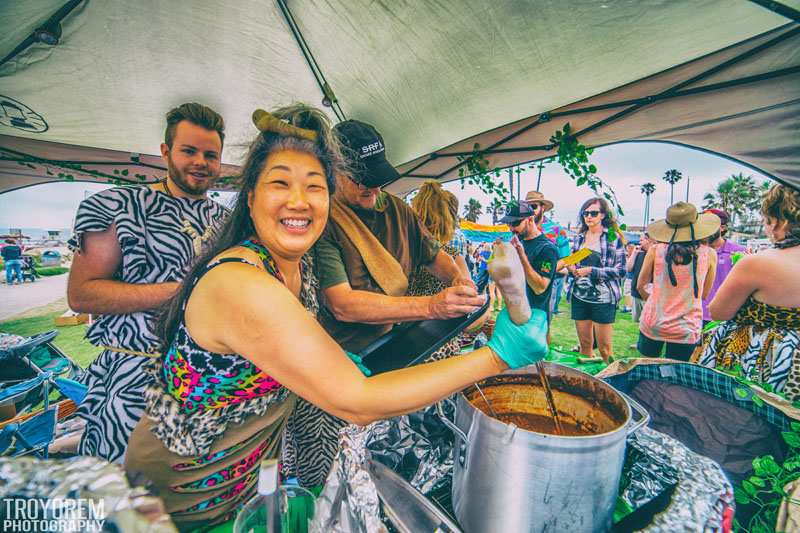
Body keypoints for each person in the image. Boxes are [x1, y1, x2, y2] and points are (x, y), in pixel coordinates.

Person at [124, 104, 547, 530]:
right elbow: (357, 401)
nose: (298, 201)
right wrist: (498, 356)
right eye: (280, 183)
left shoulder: (296, 265)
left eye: (314, 186)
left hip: (245, 484)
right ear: (250, 196)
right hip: (180, 496)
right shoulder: (240, 283)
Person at [287, 118, 484, 488]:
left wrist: (459, 279)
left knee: (385, 468)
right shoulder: (323, 220)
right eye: (362, 180)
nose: (373, 188)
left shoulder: (398, 210)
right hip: (341, 364)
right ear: (333, 172)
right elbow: (342, 303)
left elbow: (433, 255)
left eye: (379, 178)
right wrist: (432, 306)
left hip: (396, 353)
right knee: (330, 474)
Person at [67, 102, 228, 462]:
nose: (201, 162)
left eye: (211, 154)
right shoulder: (120, 205)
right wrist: (184, 292)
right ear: (165, 151)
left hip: (207, 378)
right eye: (189, 151)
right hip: (135, 379)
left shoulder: (226, 219)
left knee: (192, 486)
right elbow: (81, 294)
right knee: (130, 488)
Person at [699, 184, 800, 398]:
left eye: (765, 221)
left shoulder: (757, 263)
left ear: (778, 222)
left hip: (769, 359)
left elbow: (718, 311)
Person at [636, 203, 719, 361]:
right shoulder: (709, 255)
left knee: (645, 371)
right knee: (676, 376)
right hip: (686, 327)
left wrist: (655, 300)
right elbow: (704, 294)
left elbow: (640, 285)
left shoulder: (656, 250)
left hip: (654, 322)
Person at [408, 181, 474, 360]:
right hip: (440, 345)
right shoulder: (453, 254)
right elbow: (469, 311)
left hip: (404, 343)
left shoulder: (404, 253)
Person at [563, 197, 626, 362]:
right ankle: (590, 382)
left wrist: (592, 271)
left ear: (603, 215)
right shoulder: (579, 238)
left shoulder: (612, 238)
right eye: (586, 213)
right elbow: (573, 263)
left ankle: (611, 380)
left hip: (604, 299)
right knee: (584, 345)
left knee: (605, 350)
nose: (589, 216)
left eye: (593, 213)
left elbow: (621, 270)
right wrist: (572, 269)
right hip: (580, 296)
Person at [502, 197, 559, 330]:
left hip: (535, 318)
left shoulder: (547, 248)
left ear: (530, 219)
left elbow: (539, 288)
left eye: (515, 223)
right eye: (508, 224)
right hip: (515, 313)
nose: (511, 228)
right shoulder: (518, 242)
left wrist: (521, 256)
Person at [701, 208, 746, 327]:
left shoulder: (738, 252)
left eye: (710, 225)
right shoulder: (694, 252)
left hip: (727, 317)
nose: (706, 229)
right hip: (697, 315)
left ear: (723, 228)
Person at [626, 233, 652, 323]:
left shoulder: (654, 254)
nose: (639, 242)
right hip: (636, 293)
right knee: (637, 322)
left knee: (647, 323)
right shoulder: (639, 253)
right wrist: (634, 253)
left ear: (649, 240)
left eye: (641, 240)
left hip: (648, 294)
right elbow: (628, 268)